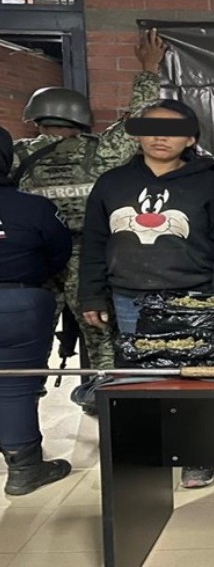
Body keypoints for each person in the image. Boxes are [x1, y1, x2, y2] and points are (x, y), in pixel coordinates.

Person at [78, 99, 214, 488]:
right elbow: (94, 242)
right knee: (142, 379)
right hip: (129, 297)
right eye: (151, 128)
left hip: (194, 296)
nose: (160, 137)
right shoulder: (112, 182)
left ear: (190, 139)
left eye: (172, 130)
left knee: (196, 378)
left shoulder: (209, 184)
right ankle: (146, 456)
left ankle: (198, 453)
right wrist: (91, 295)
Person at [10, 29, 166, 394]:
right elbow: (140, 117)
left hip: (36, 259)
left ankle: (21, 403)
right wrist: (149, 67)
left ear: (37, 119)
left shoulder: (19, 154)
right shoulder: (103, 151)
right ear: (81, 120)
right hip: (89, 257)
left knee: (30, 341)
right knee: (102, 338)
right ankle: (106, 399)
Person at [0, 125, 73, 495]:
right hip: (19, 302)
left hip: (19, 301)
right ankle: (24, 469)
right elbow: (59, 253)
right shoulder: (35, 207)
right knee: (15, 386)